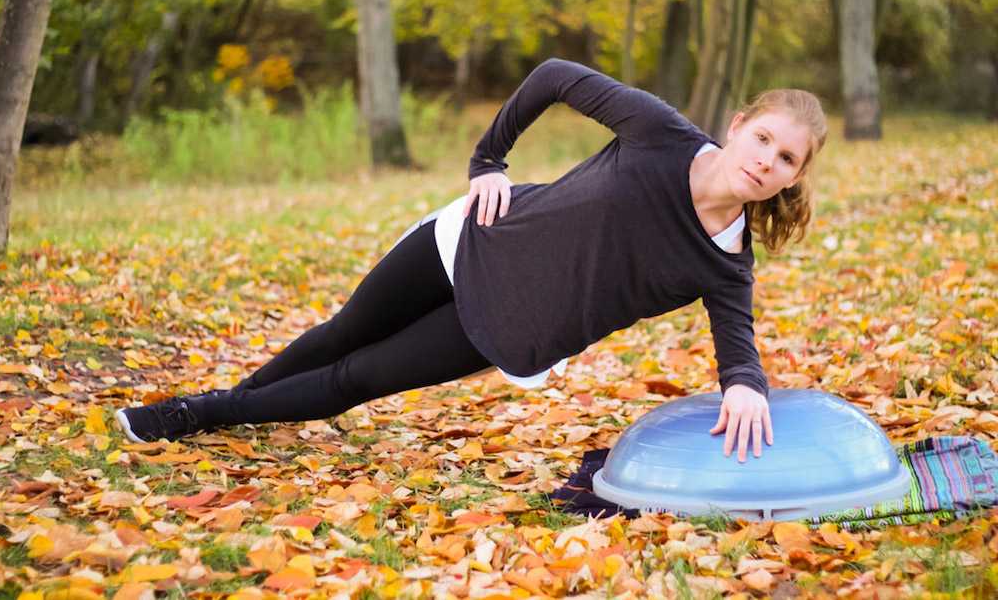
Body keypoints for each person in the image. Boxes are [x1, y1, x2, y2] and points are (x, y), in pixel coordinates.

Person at [117, 58, 827, 463]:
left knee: (351, 378)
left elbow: (739, 350)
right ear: (739, 125)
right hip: (474, 233)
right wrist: (488, 157)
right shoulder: (659, 132)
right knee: (339, 334)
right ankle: (228, 412)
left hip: (509, 320)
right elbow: (552, 75)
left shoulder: (727, 262)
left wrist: (745, 389)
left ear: (795, 176)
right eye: (763, 138)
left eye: (786, 157)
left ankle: (194, 414)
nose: (767, 161)